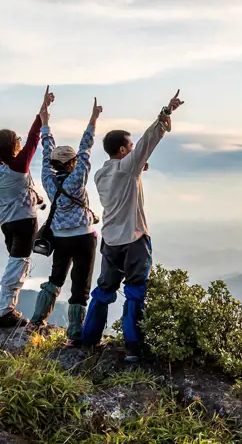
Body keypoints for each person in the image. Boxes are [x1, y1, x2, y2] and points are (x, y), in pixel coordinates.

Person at [80, 90, 185, 362]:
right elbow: (147, 143)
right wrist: (165, 114)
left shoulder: (102, 174)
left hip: (110, 241)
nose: (133, 146)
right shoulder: (127, 168)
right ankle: (133, 349)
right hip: (134, 238)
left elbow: (129, 167)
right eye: (129, 145)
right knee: (136, 292)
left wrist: (138, 168)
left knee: (104, 290)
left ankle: (89, 338)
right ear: (124, 150)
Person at [0, 86, 54, 328]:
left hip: (6, 222)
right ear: (14, 146)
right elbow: (33, 138)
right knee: (19, 262)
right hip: (24, 222)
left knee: (16, 259)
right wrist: (42, 113)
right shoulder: (19, 167)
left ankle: (6, 307)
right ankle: (5, 310)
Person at [30, 97, 103, 346]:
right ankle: (74, 335)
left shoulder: (47, 180)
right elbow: (86, 149)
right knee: (80, 285)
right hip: (84, 237)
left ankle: (37, 320)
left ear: (52, 163)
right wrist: (93, 120)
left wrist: (45, 123)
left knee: (56, 278)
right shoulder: (77, 177)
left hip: (60, 238)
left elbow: (45, 149)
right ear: (72, 164)